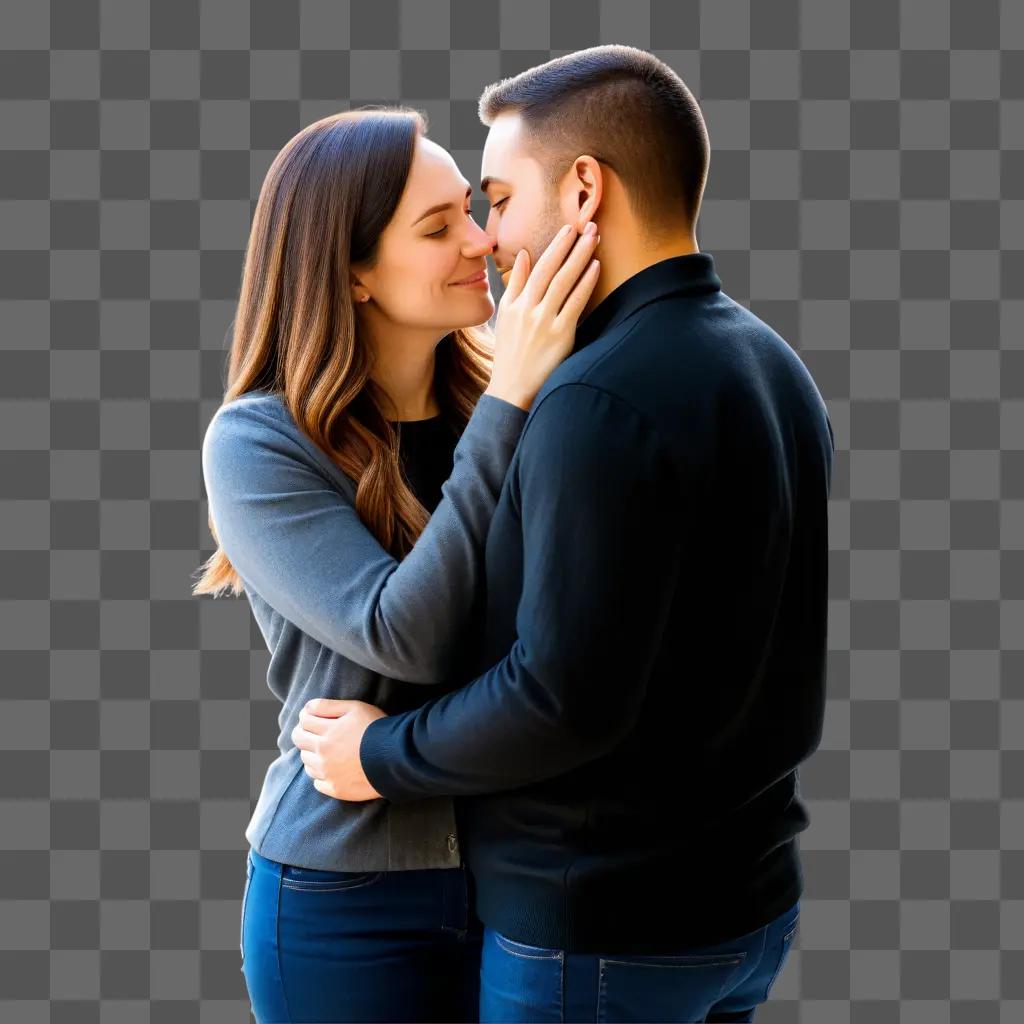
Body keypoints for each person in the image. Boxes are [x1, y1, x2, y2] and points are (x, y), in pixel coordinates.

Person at [293, 44, 835, 1023]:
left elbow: (559, 697)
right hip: (747, 911)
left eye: (497, 199)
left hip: (603, 934)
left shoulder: (595, 395)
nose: (489, 239)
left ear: (584, 188)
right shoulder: (771, 361)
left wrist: (380, 756)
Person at [194, 105, 600, 1023]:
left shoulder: (510, 400)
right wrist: (511, 400)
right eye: (437, 227)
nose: (483, 239)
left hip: (518, 876)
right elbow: (402, 634)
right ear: (353, 273)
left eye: (471, 208)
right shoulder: (259, 442)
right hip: (343, 897)